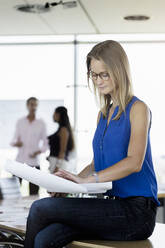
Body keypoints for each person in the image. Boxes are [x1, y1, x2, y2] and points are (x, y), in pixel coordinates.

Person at [24, 40, 159, 248]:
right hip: (110, 208)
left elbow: (134, 162)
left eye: (104, 74)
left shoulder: (138, 108)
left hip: (136, 213)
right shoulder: (103, 115)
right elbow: (98, 163)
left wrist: (88, 181)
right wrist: (71, 182)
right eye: (94, 75)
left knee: (41, 208)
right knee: (45, 238)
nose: (98, 80)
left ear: (119, 70)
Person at [11, 97, 48, 195]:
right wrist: (16, 143)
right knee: (13, 191)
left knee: (34, 193)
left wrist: (38, 151)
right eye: (31, 104)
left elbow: (45, 144)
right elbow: (14, 140)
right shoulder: (20, 122)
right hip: (19, 161)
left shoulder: (41, 123)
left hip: (34, 162)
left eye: (35, 105)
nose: (33, 107)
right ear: (27, 106)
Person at [47, 106, 75, 173]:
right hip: (55, 162)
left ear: (59, 114)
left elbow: (63, 150)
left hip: (58, 164)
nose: (53, 116)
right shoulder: (61, 129)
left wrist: (57, 167)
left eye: (54, 113)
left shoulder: (63, 130)